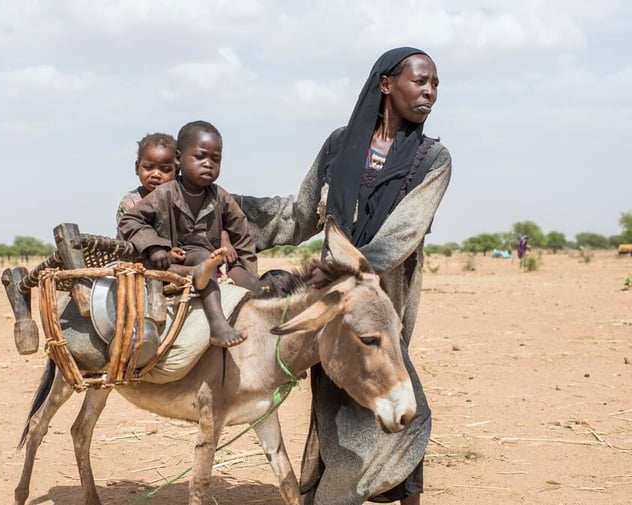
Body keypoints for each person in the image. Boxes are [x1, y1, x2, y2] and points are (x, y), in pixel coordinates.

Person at [235, 47, 451, 504]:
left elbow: (402, 236)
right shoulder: (339, 145)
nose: (430, 91)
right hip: (333, 296)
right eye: (420, 81)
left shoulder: (434, 159)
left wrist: (351, 273)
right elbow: (297, 215)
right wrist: (224, 206)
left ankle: (403, 493)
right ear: (386, 84)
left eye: (435, 83)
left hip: (384, 293)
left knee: (391, 379)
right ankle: (331, 490)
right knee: (333, 392)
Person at [118, 120, 261, 348]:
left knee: (256, 288)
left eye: (215, 159)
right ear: (178, 159)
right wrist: (155, 246)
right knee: (205, 260)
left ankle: (267, 343)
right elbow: (130, 220)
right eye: (201, 157)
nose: (208, 165)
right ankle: (217, 325)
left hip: (212, 263)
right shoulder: (164, 193)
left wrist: (245, 271)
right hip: (171, 265)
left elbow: (242, 236)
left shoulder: (221, 197)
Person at [117, 132, 237, 266]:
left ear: (177, 170)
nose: (156, 174)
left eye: (165, 169)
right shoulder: (131, 202)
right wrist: (158, 249)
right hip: (140, 263)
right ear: (137, 167)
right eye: (149, 167)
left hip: (181, 258)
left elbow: (207, 227)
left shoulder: (181, 198)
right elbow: (129, 236)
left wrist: (224, 239)